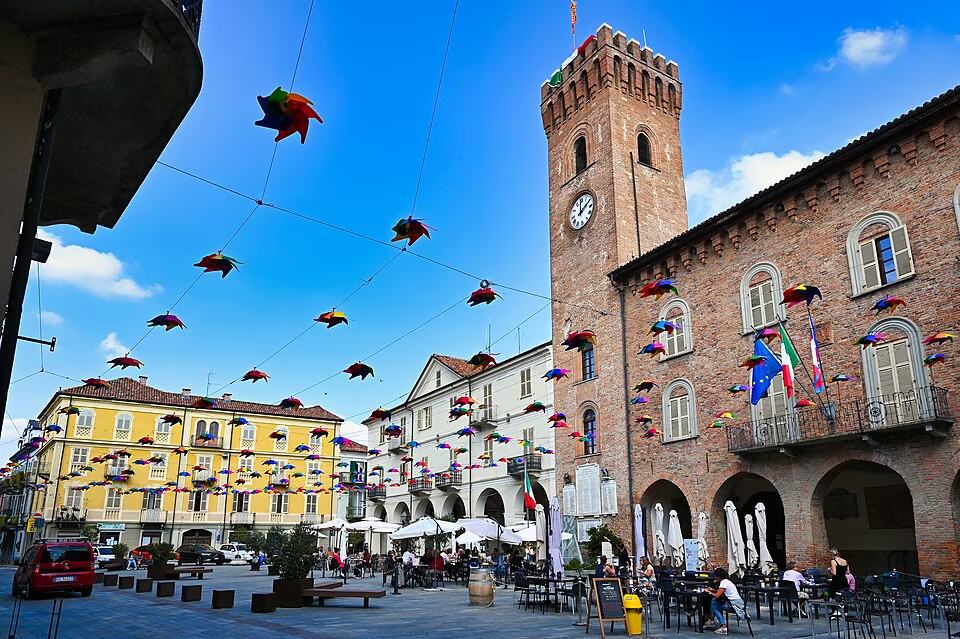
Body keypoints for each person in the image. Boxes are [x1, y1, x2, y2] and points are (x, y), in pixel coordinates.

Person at [703, 568, 746, 635]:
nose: (715, 578)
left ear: (719, 577)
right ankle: (712, 621)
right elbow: (721, 592)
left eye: (716, 576)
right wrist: (712, 590)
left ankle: (721, 626)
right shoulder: (728, 581)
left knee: (714, 602)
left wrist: (709, 592)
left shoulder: (723, 583)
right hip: (738, 604)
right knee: (716, 602)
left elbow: (717, 595)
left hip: (734, 606)